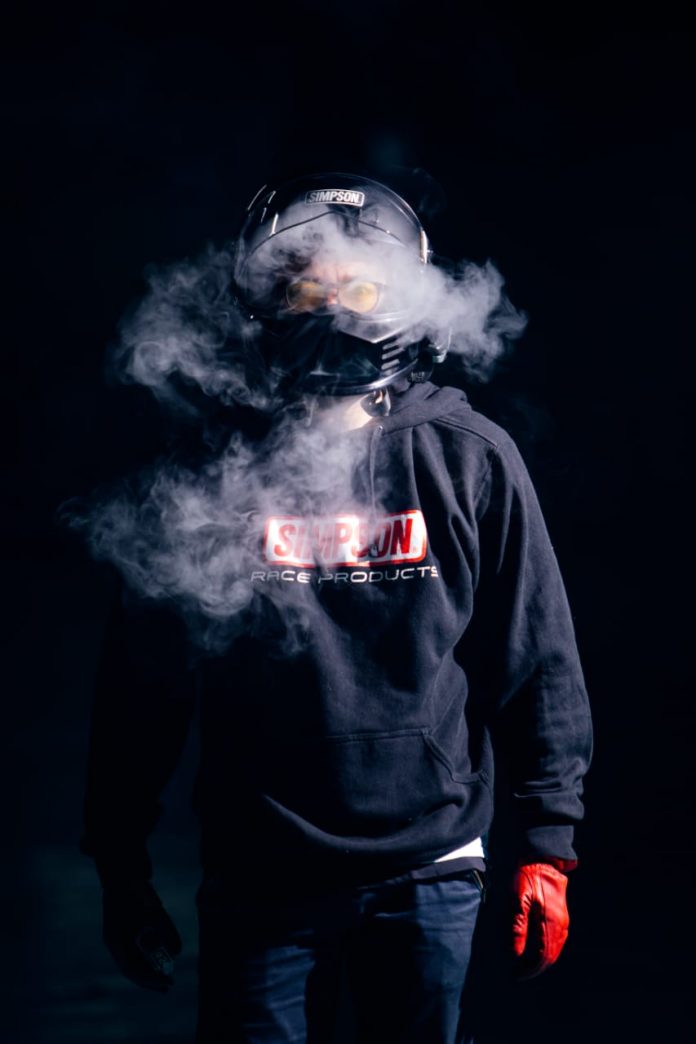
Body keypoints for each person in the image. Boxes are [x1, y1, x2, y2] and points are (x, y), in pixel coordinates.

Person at [80, 171, 593, 1043]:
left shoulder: (469, 457)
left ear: (405, 297)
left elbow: (536, 657)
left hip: (432, 862)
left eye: (359, 290)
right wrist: (120, 860)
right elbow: (142, 685)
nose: (333, 313)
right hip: (260, 871)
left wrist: (549, 845)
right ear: (262, 300)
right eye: (304, 290)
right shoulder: (206, 471)